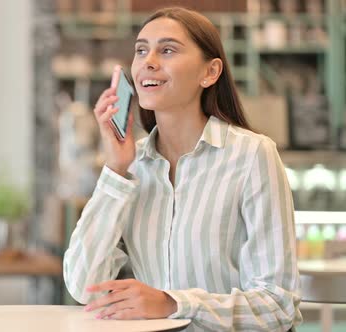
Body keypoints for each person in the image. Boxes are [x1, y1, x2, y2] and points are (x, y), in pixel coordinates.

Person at [63, 7, 302, 331]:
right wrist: (116, 170)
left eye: (168, 50)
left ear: (210, 72)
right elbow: (82, 285)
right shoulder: (133, 168)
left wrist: (173, 303)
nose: (148, 61)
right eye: (141, 50)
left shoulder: (252, 156)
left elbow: (278, 304)